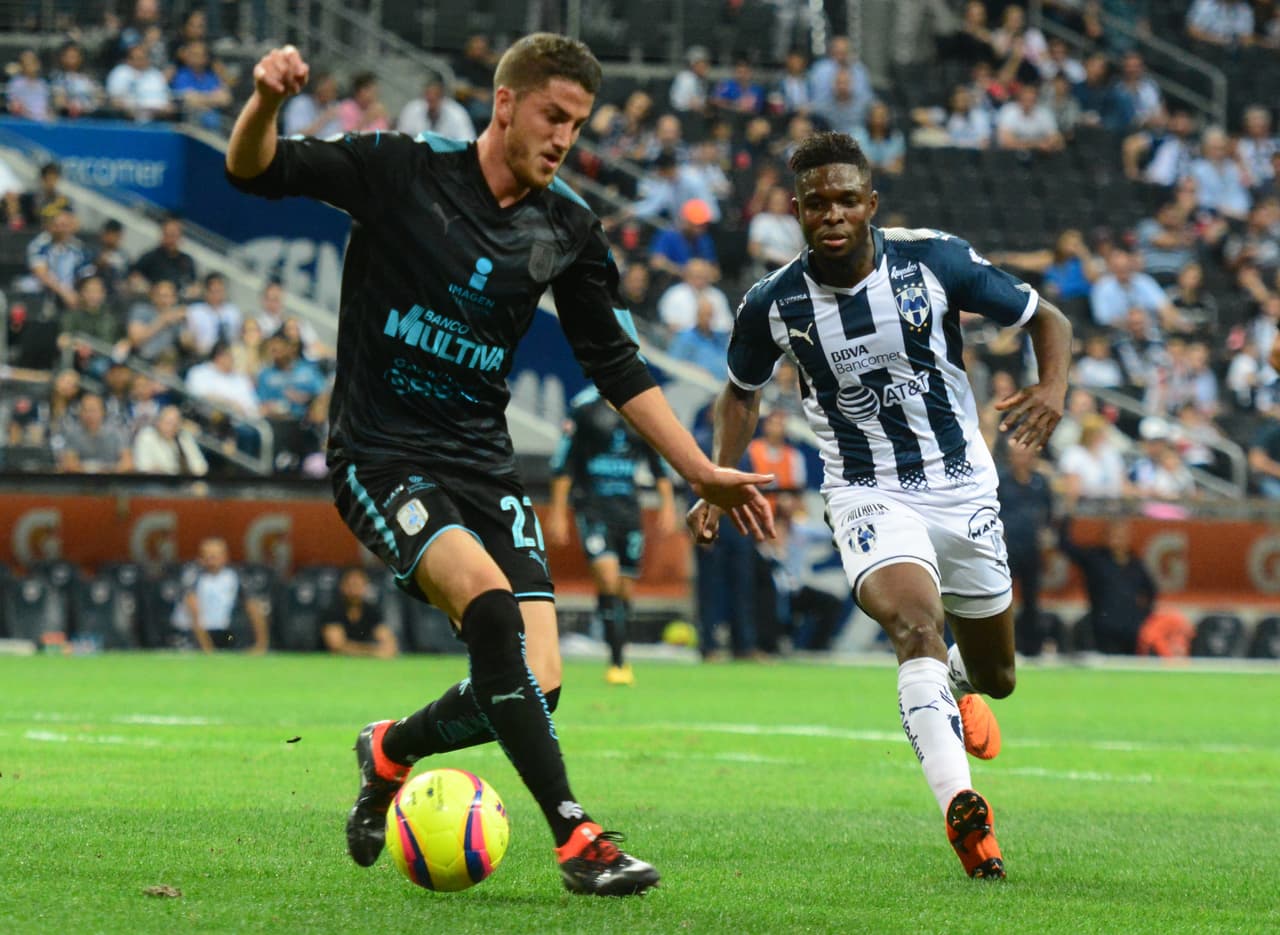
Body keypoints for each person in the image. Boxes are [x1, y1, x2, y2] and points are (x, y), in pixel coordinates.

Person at [225, 35, 772, 896]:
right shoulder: (403, 170)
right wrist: (264, 101)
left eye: (578, 124)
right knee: (486, 605)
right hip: (382, 452)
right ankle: (577, 836)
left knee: (539, 684)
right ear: (505, 103)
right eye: (554, 116)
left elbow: (617, 364)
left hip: (483, 463)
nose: (565, 138)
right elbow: (254, 171)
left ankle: (390, 748)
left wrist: (698, 467)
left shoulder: (567, 229)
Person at [687, 132, 1073, 879]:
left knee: (997, 676)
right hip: (867, 491)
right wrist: (715, 474)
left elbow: (1045, 317)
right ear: (796, 212)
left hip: (963, 483)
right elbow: (741, 390)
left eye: (845, 199)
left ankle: (958, 687)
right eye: (815, 203)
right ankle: (964, 808)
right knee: (913, 624)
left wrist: (1053, 387)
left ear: (871, 204)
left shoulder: (935, 261)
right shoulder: (773, 304)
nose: (831, 214)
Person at [547, 383, 677, 686]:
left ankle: (619, 651)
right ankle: (616, 661)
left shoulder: (640, 408)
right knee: (606, 577)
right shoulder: (584, 408)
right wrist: (557, 512)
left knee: (624, 588)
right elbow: (563, 462)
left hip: (629, 511)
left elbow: (658, 462)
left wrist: (668, 505)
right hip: (592, 507)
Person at [1057, 516, 1156, 654]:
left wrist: (1142, 616)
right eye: (1114, 534)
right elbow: (1065, 546)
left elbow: (1151, 592)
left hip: (1132, 629)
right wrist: (1067, 515)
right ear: (1106, 536)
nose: (1118, 538)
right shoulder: (1095, 558)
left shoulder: (1136, 564)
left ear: (1129, 537)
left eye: (1122, 535)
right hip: (1104, 627)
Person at [996, 442, 1054, 657]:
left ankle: (1032, 647)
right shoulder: (1001, 481)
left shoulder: (1040, 482)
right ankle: (1003, 645)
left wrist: (1046, 531)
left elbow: (1049, 510)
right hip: (1007, 548)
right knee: (1002, 598)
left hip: (1031, 546)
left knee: (1032, 598)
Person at [172, 537, 270, 652]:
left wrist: (261, 643)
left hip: (224, 634)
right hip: (192, 633)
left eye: (214, 556)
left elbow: (253, 606)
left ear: (225, 557)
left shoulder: (235, 577)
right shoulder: (192, 576)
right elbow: (194, 612)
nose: (210, 561)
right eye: (207, 556)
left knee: (234, 643)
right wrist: (207, 648)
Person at [320, 567, 399, 658]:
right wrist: (374, 652)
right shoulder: (333, 610)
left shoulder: (371, 610)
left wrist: (386, 649)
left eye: (358, 585)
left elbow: (389, 643)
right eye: (350, 584)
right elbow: (337, 646)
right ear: (342, 586)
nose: (354, 589)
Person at [396, 76, 476, 141]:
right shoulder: (412, 109)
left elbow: (468, 141)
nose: (431, 98)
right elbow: (401, 138)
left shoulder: (457, 113)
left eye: (436, 95)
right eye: (428, 95)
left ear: (443, 97)